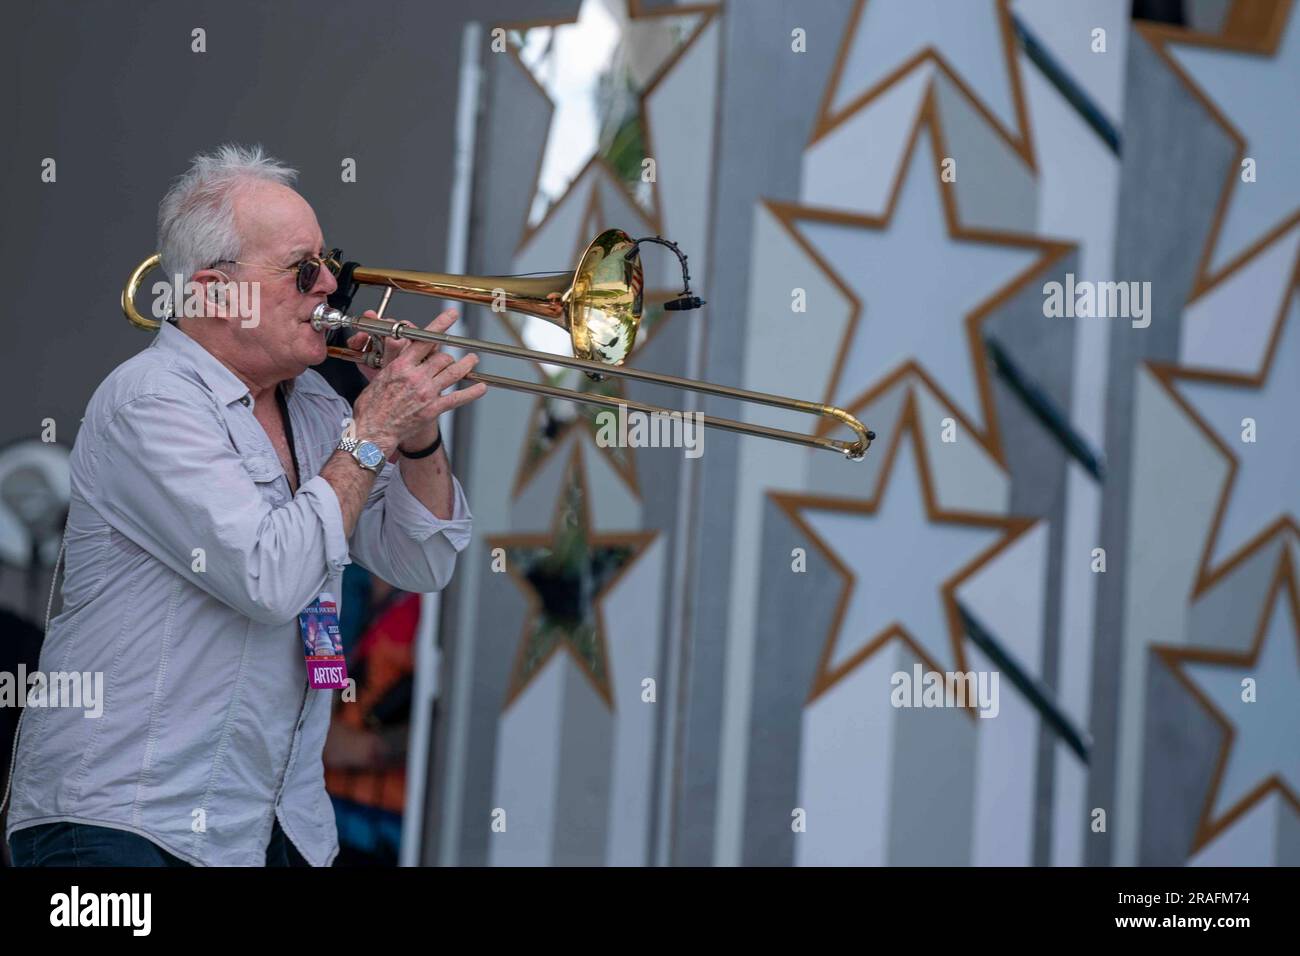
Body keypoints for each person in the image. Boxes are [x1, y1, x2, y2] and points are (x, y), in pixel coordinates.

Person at [2, 144, 486, 867]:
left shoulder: (323, 409)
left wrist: (415, 436)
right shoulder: (151, 402)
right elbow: (268, 577)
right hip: (125, 821)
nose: (332, 285)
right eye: (302, 270)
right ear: (214, 290)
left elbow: (425, 558)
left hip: (268, 830)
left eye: (330, 262)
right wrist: (374, 428)